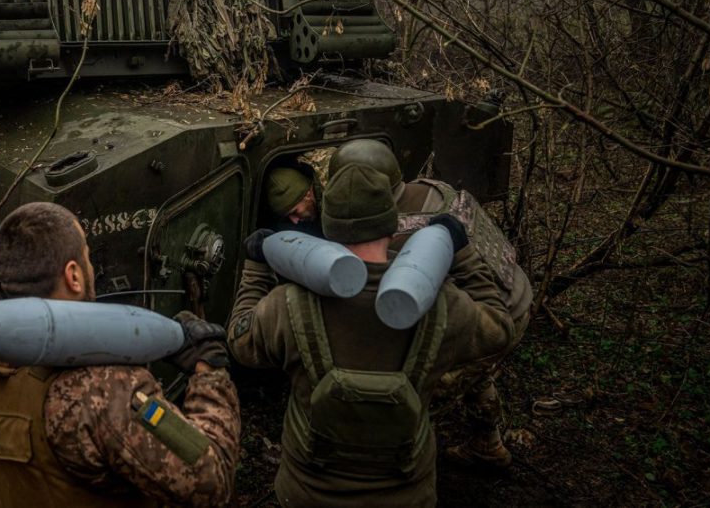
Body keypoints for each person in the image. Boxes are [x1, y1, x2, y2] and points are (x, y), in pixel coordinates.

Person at [228, 165, 514, 507]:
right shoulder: (442, 305)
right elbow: (499, 328)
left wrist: (257, 267)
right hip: (406, 495)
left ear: (327, 228)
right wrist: (462, 254)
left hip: (308, 493)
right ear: (393, 226)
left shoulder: (288, 304)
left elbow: (240, 342)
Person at [0, 201, 241, 508]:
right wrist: (210, 372)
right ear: (73, 275)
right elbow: (212, 483)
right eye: (86, 256)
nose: (91, 267)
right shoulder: (105, 393)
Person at [329, 139, 533, 467]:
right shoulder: (436, 189)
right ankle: (487, 443)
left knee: (421, 384)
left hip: (496, 315)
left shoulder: (398, 232)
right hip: (516, 292)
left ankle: (396, 462)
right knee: (476, 371)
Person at [263, 164, 322, 236]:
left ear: (307, 195)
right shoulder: (311, 210)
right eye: (288, 216)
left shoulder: (333, 200)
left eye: (294, 212)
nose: (295, 221)